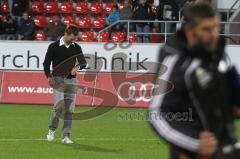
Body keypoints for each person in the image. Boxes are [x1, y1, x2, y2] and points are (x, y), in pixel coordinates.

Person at [150, 3, 240, 159]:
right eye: (206, 29)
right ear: (190, 31)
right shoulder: (175, 61)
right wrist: (195, 143)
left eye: (215, 27)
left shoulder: (214, 53)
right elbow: (157, 113)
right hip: (196, 153)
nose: (213, 34)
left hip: (226, 147)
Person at [43, 25, 87, 144]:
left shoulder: (76, 47)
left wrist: (77, 67)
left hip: (72, 81)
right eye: (72, 38)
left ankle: (65, 136)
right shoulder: (53, 46)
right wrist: (49, 76)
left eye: (75, 38)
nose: (74, 40)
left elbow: (83, 63)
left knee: (69, 109)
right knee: (58, 106)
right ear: (66, 34)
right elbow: (46, 63)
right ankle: (51, 130)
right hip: (57, 79)